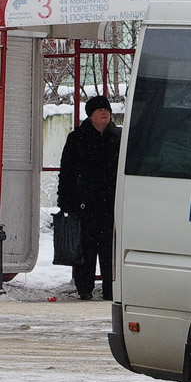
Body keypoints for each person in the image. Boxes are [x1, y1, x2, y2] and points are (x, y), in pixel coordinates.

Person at [58, 95, 121, 300]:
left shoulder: (118, 137)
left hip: (111, 202)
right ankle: (84, 288)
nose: (104, 113)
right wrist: (65, 200)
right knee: (85, 247)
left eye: (107, 110)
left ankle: (110, 290)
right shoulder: (77, 138)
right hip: (84, 203)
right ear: (90, 115)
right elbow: (66, 171)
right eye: (99, 110)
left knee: (109, 249)